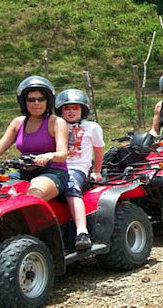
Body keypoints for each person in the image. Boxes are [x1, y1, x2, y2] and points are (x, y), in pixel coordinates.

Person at [0, 76, 68, 201]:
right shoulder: (17, 123)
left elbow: (63, 154)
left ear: (48, 101)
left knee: (32, 195)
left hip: (53, 172)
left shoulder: (57, 122)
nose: (36, 103)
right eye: (31, 100)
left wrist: (48, 156)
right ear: (24, 102)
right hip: (23, 172)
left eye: (41, 99)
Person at [55, 89, 105, 250]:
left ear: (82, 109)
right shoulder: (56, 125)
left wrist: (96, 171)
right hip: (55, 167)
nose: (70, 111)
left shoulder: (92, 127)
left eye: (75, 108)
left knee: (71, 186)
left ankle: (82, 232)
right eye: (66, 108)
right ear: (60, 110)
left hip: (77, 168)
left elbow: (98, 150)